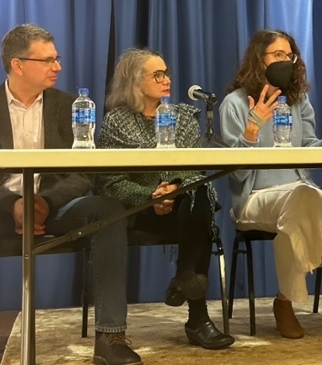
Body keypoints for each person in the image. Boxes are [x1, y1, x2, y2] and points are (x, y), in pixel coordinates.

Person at [0, 24, 141, 365]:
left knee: (107, 209)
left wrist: (44, 203)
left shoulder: (71, 106)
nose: (58, 67)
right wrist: (15, 205)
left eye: (57, 59)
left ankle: (111, 337)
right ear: (18, 65)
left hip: (57, 206)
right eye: (48, 60)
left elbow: (84, 171)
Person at [218, 29, 322, 340]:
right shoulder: (235, 104)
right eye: (277, 55)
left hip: (298, 193)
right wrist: (253, 128)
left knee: (303, 201)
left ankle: (285, 302)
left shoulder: (298, 101)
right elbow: (234, 173)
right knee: (305, 200)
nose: (285, 61)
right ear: (259, 59)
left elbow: (307, 152)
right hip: (254, 198)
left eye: (289, 55)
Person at [96, 48, 235, 350]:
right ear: (134, 81)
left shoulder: (182, 117)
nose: (166, 79)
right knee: (200, 213)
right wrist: (151, 195)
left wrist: (172, 189)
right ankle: (196, 316)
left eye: (166, 72)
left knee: (199, 193)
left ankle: (186, 279)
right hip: (139, 208)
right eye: (156, 74)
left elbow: (194, 169)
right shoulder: (116, 122)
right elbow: (109, 183)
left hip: (184, 206)